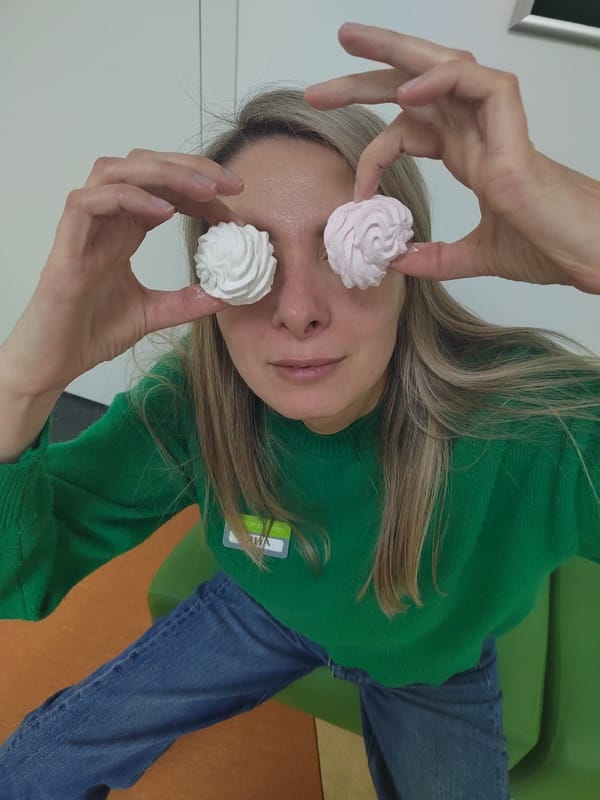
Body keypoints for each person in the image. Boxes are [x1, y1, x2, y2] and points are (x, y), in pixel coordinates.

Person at [0, 20, 599, 800]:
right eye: (251, 261)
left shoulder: (528, 428)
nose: (299, 312)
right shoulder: (193, 404)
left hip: (433, 660)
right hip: (261, 607)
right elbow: (18, 572)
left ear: (404, 264)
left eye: (343, 248)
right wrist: (22, 383)